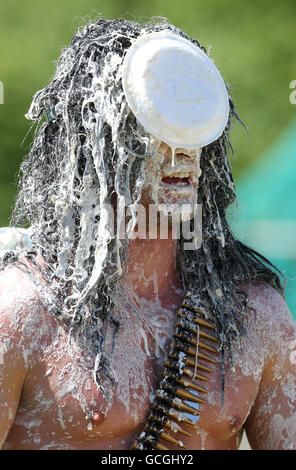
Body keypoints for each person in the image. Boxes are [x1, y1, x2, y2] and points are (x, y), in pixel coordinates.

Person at [0, 17, 295, 451]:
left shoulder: (255, 317)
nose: (180, 150)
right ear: (94, 142)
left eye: (190, 126)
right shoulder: (23, 314)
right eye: (152, 127)